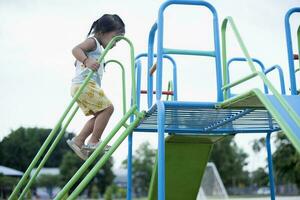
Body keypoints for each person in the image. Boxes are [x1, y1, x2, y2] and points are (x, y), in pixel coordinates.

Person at [67, 14, 125, 160]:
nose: (116, 43)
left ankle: (79, 140)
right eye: (115, 38)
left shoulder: (99, 50)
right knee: (108, 109)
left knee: (100, 115)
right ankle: (93, 141)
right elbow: (75, 49)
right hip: (84, 84)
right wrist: (86, 60)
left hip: (81, 86)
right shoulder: (93, 42)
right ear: (102, 32)